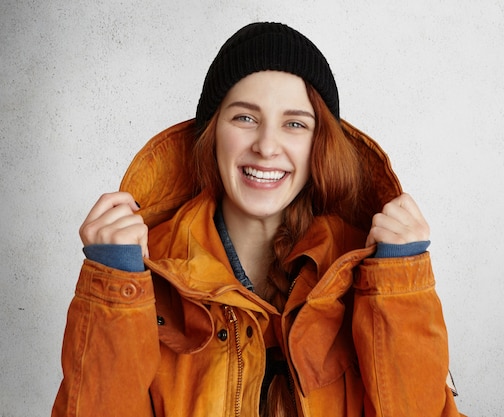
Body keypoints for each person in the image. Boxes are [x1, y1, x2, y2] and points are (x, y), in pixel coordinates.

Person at [52, 22, 464, 417]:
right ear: (211, 133)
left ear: (319, 144)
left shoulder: (368, 269)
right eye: (245, 118)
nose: (267, 146)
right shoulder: (143, 272)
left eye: (295, 124)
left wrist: (399, 286)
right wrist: (112, 285)